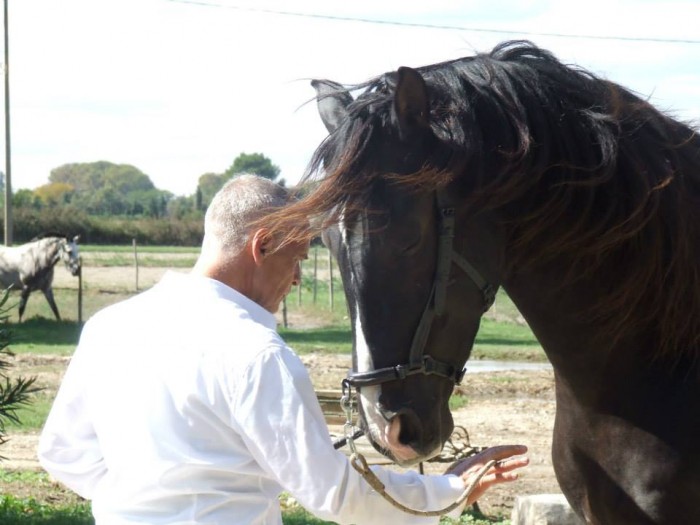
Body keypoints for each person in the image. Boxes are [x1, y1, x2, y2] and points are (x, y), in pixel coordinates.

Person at [38, 174, 529, 524]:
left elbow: (62, 452)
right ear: (263, 245)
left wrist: (146, 501)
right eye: (297, 258)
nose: (297, 278)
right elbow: (335, 495)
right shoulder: (256, 353)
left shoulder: (110, 326)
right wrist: (452, 489)